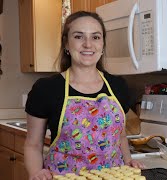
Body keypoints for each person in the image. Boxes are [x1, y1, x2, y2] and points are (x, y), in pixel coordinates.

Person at [24, 11, 145, 180]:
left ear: (102, 44)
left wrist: (128, 161)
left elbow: (121, 136)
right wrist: (36, 173)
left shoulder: (118, 86)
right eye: (79, 37)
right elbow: (33, 144)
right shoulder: (46, 89)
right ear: (66, 43)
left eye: (95, 37)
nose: (88, 44)